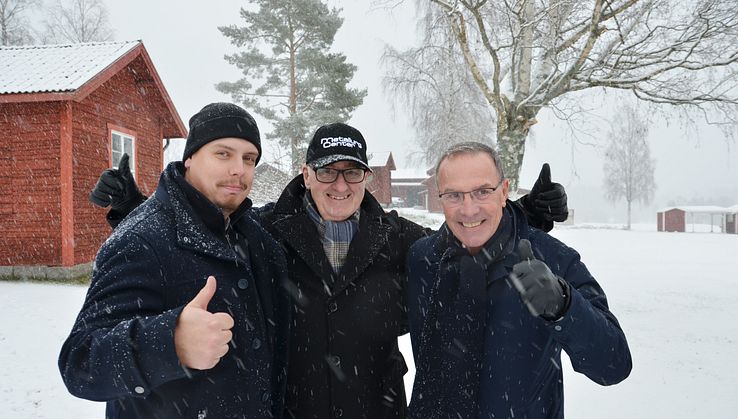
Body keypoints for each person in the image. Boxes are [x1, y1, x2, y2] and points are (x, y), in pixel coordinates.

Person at [90, 123, 569, 418]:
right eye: (326, 171)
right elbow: (206, 234)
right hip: (291, 409)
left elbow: (463, 236)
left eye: (352, 172)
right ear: (305, 174)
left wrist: (521, 211)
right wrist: (133, 209)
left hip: (376, 409)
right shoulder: (265, 233)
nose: (339, 185)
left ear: (365, 176)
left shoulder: (399, 238)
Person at [59, 102, 290, 419]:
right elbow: (80, 362)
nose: (239, 169)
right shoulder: (139, 240)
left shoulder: (257, 239)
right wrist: (169, 344)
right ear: (191, 158)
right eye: (223, 154)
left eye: (249, 158)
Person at [406, 142, 632, 419]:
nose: (468, 209)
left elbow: (614, 364)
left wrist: (565, 306)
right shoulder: (422, 258)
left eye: (482, 192)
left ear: (503, 192)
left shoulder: (552, 258)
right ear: (440, 198)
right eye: (454, 195)